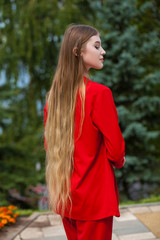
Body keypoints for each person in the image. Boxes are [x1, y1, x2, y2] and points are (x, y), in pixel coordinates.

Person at [44, 24, 125, 240]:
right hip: (94, 197)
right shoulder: (99, 94)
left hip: (67, 196)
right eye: (97, 46)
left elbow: (49, 146)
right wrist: (118, 161)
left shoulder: (53, 99)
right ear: (77, 51)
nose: (103, 51)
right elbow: (116, 150)